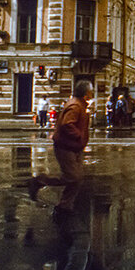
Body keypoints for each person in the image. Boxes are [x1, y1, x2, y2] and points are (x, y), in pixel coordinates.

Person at [30, 80, 94, 213]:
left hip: (74, 147)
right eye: (90, 91)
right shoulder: (75, 106)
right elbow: (67, 124)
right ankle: (40, 181)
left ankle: (65, 205)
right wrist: (79, 136)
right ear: (86, 93)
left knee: (77, 179)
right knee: (73, 177)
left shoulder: (79, 104)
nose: (92, 93)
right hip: (66, 147)